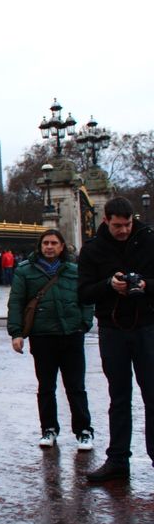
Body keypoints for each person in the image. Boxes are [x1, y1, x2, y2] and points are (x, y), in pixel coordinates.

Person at [77, 196, 154, 482]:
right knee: (118, 397)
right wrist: (109, 285)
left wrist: (145, 285)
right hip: (112, 329)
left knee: (152, 396)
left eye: (127, 224)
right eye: (118, 225)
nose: (123, 230)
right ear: (106, 220)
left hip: (147, 325)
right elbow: (83, 293)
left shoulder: (149, 241)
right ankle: (118, 459)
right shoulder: (92, 250)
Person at [7, 229, 94, 450]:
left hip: (71, 334)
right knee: (46, 387)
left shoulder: (75, 270)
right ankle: (49, 429)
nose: (49, 247)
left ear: (62, 246)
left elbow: (86, 299)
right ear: (40, 246)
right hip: (42, 336)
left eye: (54, 243)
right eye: (45, 243)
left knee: (76, 387)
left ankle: (84, 430)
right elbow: (16, 302)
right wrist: (16, 333)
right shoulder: (24, 271)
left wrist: (84, 323)